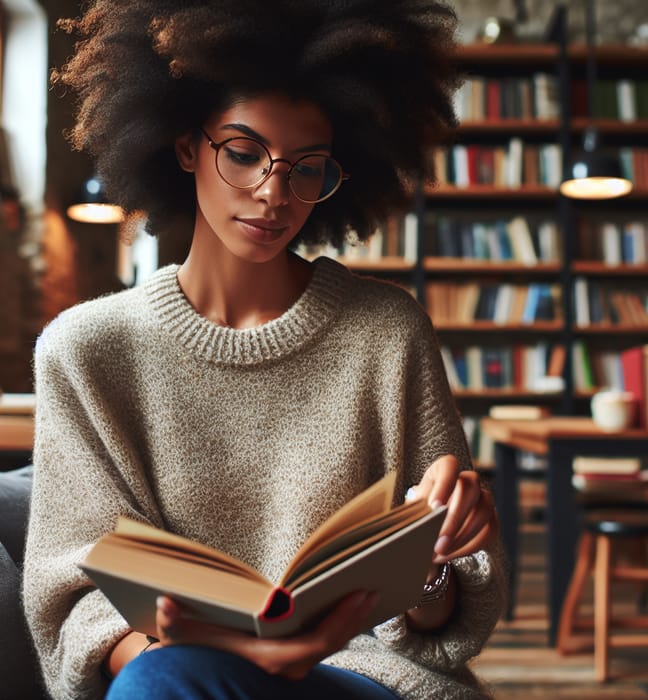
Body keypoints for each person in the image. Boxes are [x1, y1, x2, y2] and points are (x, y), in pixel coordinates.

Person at [23, 1, 507, 698]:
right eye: (244, 153)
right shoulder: (87, 351)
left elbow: (443, 620)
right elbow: (72, 603)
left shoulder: (385, 331)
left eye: (307, 168)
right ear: (187, 146)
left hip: (368, 678)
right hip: (184, 676)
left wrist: (436, 560)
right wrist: (199, 649)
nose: (275, 192)